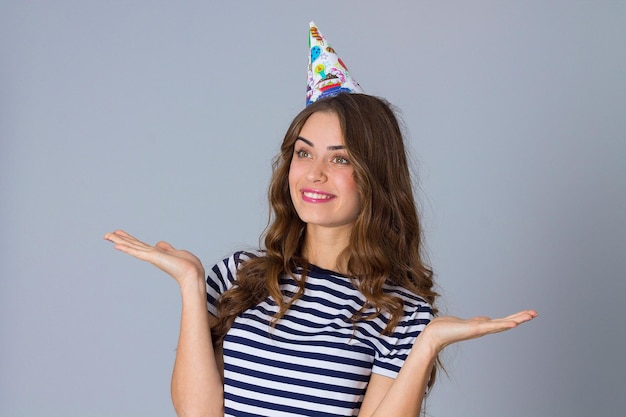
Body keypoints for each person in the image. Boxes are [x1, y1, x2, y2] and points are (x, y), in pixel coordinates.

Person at [104, 23, 537, 417]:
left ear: (375, 178)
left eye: (341, 159)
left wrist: (426, 345)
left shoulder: (401, 313)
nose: (314, 174)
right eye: (304, 152)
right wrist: (191, 285)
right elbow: (198, 414)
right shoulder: (238, 276)